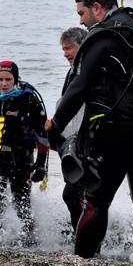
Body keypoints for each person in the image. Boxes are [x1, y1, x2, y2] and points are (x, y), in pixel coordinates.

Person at [47, 0, 133, 263]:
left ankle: (81, 263)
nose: (80, 21)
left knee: (96, 203)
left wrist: (55, 124)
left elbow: (79, 87)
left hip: (116, 135)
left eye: (82, 13)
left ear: (97, 7)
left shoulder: (103, 35)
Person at [0, 61, 49, 246]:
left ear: (16, 79)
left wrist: (40, 164)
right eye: (0, 79)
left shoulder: (28, 99)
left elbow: (43, 135)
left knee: (21, 203)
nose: (4, 84)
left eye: (8, 79)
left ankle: (30, 241)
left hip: (21, 159)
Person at [58, 27, 87, 232]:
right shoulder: (73, 72)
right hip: (74, 142)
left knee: (72, 194)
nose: (66, 54)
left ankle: (87, 239)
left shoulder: (89, 71)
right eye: (63, 50)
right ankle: (81, 233)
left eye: (69, 48)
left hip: (91, 143)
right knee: (75, 194)